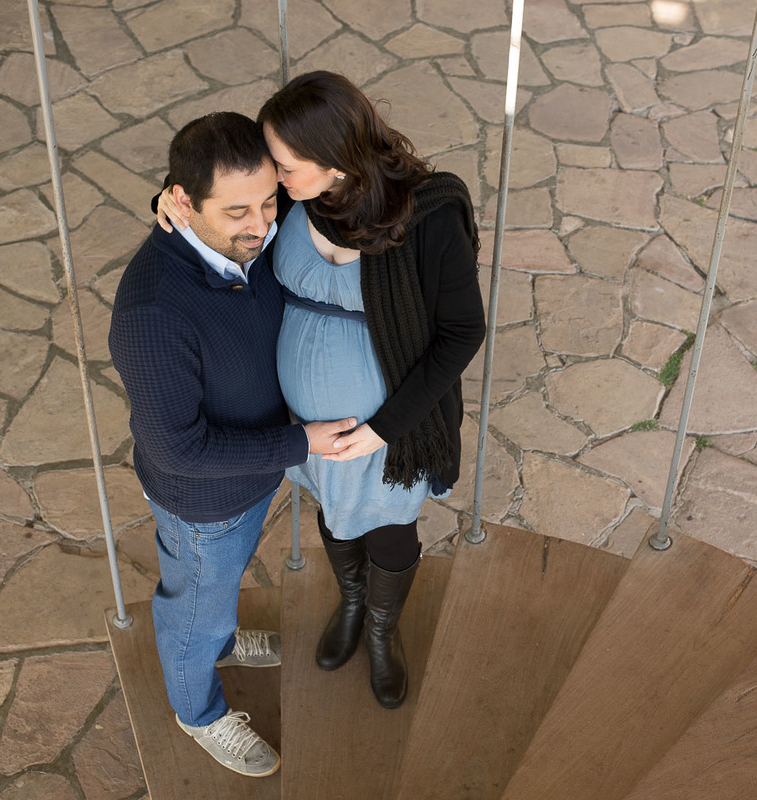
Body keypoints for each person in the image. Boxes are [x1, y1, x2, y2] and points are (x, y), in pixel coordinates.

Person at [158, 72, 486, 709]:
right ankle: (352, 602)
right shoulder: (291, 202)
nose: (273, 180)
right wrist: (168, 202)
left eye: (284, 165)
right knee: (335, 515)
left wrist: (383, 428)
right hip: (305, 423)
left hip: (393, 425)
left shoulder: (427, 214)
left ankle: (383, 631)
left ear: (335, 158)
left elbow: (461, 332)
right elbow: (225, 193)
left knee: (389, 529)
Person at [110, 112, 357, 777]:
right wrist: (299, 443)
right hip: (203, 502)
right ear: (183, 202)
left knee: (215, 591)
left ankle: (218, 636)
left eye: (268, 201)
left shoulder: (252, 236)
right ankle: (197, 711)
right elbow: (178, 450)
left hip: (249, 480)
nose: (261, 225)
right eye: (238, 211)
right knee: (194, 604)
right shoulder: (152, 312)